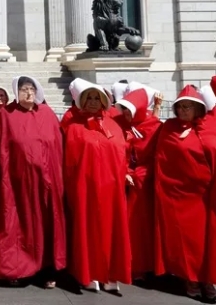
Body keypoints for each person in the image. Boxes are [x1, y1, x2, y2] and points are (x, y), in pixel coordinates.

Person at [152, 85, 216, 302]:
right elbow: (163, 160)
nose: (183, 110)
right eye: (180, 106)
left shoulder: (213, 127)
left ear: (199, 108)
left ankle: (208, 279)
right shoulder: (169, 128)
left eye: (188, 107)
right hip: (180, 195)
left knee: (209, 241)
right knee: (187, 241)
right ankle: (191, 278)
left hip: (206, 196)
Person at [0, 75, 65, 285]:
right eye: (23, 89)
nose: (28, 93)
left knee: (47, 224)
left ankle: (47, 269)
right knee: (19, 226)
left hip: (46, 183)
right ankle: (18, 269)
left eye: (31, 89)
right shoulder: (6, 115)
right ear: (16, 92)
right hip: (17, 184)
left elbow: (57, 145)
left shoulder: (47, 114)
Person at [61, 78, 130, 293]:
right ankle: (89, 273)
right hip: (85, 188)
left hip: (111, 188)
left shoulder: (113, 126)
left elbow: (121, 155)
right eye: (88, 97)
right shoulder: (73, 127)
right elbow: (70, 161)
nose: (92, 101)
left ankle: (110, 273)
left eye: (96, 98)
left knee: (112, 230)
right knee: (87, 230)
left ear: (103, 101)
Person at [113, 86, 163, 279]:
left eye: (130, 110)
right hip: (124, 175)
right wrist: (124, 171)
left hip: (144, 179)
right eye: (124, 109)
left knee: (144, 223)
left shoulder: (153, 126)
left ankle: (148, 263)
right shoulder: (117, 123)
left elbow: (156, 154)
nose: (125, 113)